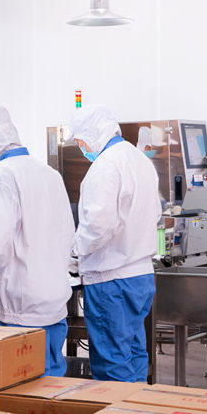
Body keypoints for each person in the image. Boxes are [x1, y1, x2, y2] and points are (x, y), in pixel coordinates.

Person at [0, 105, 76, 376]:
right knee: (51, 388)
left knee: (19, 388)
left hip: (20, 310)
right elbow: (67, 235)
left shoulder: (1, 176)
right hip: (54, 303)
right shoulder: (50, 174)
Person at [70, 104, 161, 382]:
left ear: (92, 133)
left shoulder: (104, 166)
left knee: (112, 365)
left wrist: (73, 253)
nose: (82, 148)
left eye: (80, 141)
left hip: (112, 281)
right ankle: (136, 408)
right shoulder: (140, 160)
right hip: (140, 277)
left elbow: (98, 225)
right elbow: (156, 213)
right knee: (134, 354)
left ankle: (116, 410)